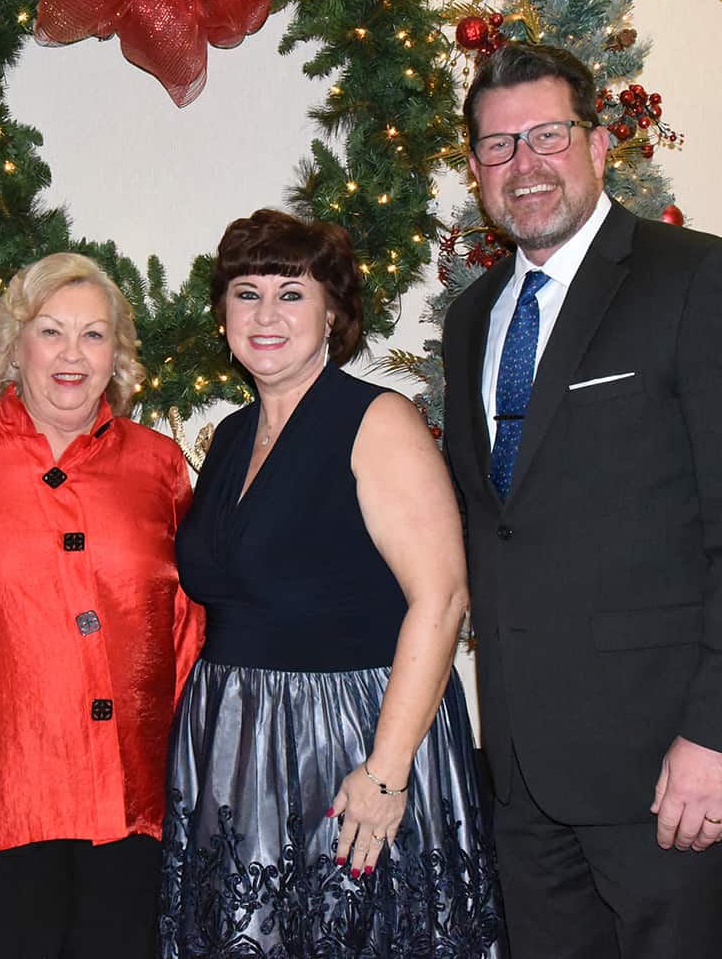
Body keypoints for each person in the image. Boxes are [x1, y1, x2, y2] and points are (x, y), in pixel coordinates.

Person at [441, 41, 722, 959]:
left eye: (547, 136)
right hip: (524, 778)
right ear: (476, 172)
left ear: (599, 148)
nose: (526, 165)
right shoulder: (472, 318)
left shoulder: (697, 278)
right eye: (499, 147)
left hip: (672, 773)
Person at [161, 209, 504, 958]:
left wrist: (385, 775)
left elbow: (441, 599)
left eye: (292, 293)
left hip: (350, 737)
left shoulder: (379, 420)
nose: (265, 314)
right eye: (246, 293)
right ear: (223, 317)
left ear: (334, 313)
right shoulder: (226, 438)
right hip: (234, 745)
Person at [0, 252, 205, 958]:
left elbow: (190, 625)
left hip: (128, 808)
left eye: (94, 335)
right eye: (51, 331)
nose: (72, 354)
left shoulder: (159, 465)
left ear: (117, 356)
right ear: (14, 343)